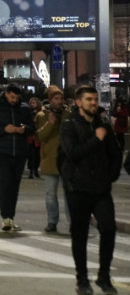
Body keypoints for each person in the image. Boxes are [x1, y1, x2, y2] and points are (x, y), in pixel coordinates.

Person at [59, 86, 122, 295]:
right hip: (77, 188)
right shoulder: (69, 125)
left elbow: (115, 153)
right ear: (79, 102)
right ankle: (82, 279)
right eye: (88, 99)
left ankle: (104, 276)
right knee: (80, 235)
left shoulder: (103, 124)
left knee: (109, 228)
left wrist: (110, 176)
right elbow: (73, 153)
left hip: (101, 188)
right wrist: (96, 139)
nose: (93, 103)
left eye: (95, 99)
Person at [0, 83, 35, 232]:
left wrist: (24, 129)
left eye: (16, 97)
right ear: (6, 94)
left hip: (20, 151)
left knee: (15, 186)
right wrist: (4, 129)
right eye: (12, 97)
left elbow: (32, 128)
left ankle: (10, 217)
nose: (14, 100)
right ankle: (6, 217)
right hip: (2, 151)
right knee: (5, 184)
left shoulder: (24, 108)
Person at [35, 85, 70, 233]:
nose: (59, 101)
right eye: (56, 98)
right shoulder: (42, 115)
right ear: (50, 100)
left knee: (69, 195)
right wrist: (50, 124)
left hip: (67, 159)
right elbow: (40, 136)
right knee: (51, 194)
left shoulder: (68, 114)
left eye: (61, 98)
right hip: (50, 158)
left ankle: (73, 223)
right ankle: (52, 221)